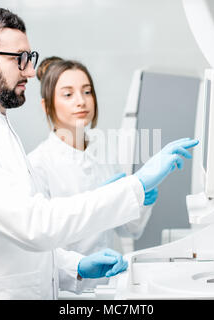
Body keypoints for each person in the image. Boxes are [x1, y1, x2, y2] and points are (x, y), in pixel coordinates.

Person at [0, 7, 198, 299]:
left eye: (30, 58)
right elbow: (34, 225)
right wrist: (136, 185)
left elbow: (13, 244)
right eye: (19, 59)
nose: (29, 70)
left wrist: (74, 266)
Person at [27, 57, 157, 289]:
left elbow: (129, 229)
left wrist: (141, 196)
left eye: (87, 92)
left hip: (110, 285)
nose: (81, 101)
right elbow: (37, 247)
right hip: (67, 290)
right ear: (47, 106)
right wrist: (78, 265)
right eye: (68, 94)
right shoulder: (38, 165)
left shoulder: (103, 151)